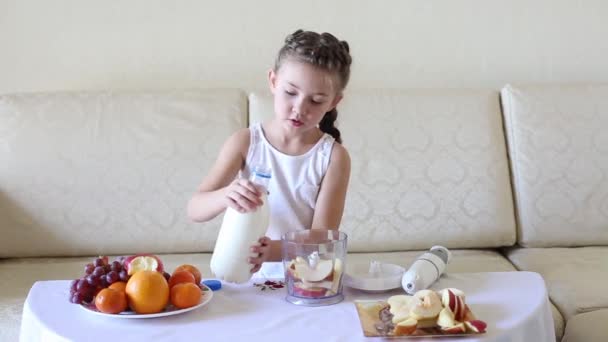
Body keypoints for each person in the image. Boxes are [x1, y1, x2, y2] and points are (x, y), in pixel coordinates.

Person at [187, 29, 352, 274]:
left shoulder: (333, 157)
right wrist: (225, 195)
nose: (299, 108)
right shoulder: (244, 142)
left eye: (315, 100)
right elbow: (195, 209)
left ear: (333, 102)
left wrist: (272, 252)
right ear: (273, 82)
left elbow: (323, 237)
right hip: (247, 280)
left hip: (307, 281)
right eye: (290, 93)